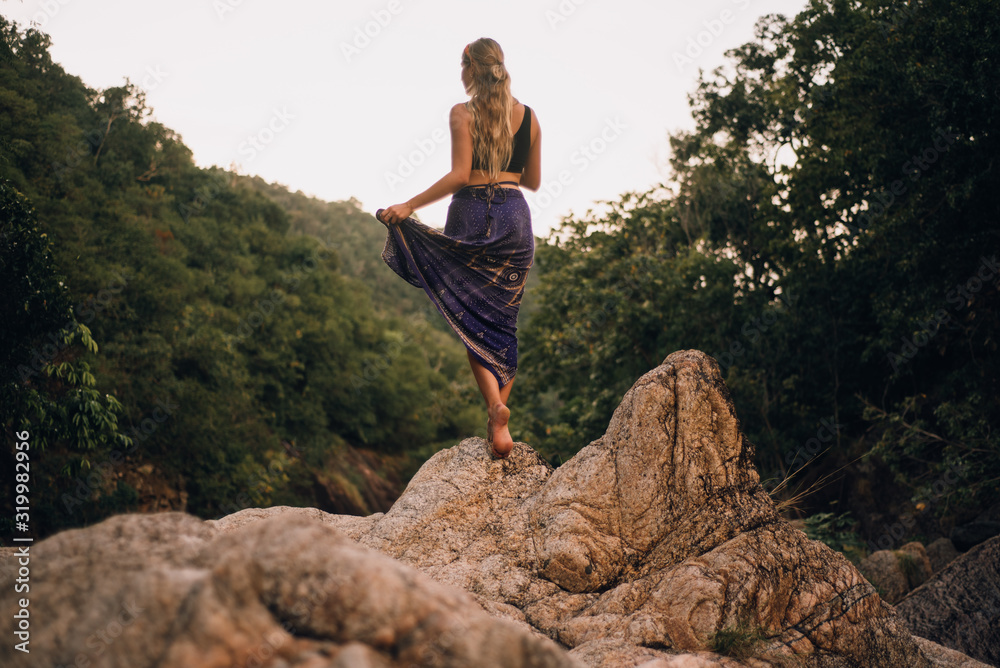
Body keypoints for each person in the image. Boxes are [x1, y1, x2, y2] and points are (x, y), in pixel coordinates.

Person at [377, 37, 541, 459]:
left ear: (470, 68)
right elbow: (533, 180)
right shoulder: (529, 117)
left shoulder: (462, 112)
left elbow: (460, 175)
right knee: (504, 320)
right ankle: (499, 418)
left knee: (471, 316)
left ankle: (494, 407)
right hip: (515, 218)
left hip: (470, 212)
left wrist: (409, 205)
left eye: (461, 66)